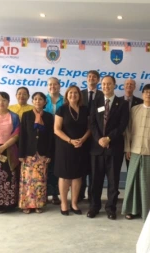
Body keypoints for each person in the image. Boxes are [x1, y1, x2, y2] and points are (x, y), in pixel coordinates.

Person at [122, 84, 150, 220]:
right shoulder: (134, 110)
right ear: (142, 94)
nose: (148, 95)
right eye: (146, 92)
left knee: (148, 183)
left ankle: (147, 212)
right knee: (132, 182)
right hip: (135, 151)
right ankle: (131, 209)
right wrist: (127, 148)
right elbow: (128, 131)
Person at [88, 76, 129, 220]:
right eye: (104, 84)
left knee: (113, 181)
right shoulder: (96, 102)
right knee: (95, 181)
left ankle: (111, 208)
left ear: (114, 85)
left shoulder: (122, 103)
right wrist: (99, 139)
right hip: (97, 148)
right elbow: (92, 123)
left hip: (114, 148)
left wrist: (109, 138)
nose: (106, 86)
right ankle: (94, 207)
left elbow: (122, 125)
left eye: (109, 84)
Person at [54, 85, 91, 215]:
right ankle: (64, 203)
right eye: (70, 93)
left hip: (81, 146)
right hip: (65, 146)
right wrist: (70, 140)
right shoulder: (62, 109)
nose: (73, 95)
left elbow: (89, 128)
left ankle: (74, 203)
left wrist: (82, 139)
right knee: (64, 176)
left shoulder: (85, 109)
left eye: (76, 93)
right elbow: (56, 129)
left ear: (79, 96)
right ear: (67, 95)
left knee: (77, 176)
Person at [18, 92, 54, 214]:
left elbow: (51, 137)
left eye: (40, 99)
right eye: (35, 99)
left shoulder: (49, 117)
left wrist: (49, 154)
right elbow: (22, 135)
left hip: (42, 154)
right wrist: (21, 154)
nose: (38, 101)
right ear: (32, 101)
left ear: (45, 102)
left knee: (40, 180)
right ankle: (27, 204)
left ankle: (39, 204)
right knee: (27, 181)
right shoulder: (26, 115)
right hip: (29, 153)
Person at [79, 70, 104, 202]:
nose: (91, 78)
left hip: (96, 137)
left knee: (94, 169)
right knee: (81, 166)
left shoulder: (102, 94)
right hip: (81, 135)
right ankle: (79, 194)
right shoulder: (80, 94)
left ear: (98, 80)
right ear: (86, 79)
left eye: (94, 77)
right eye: (89, 76)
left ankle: (91, 195)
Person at [44, 77, 63, 205]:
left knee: (57, 166)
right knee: (45, 166)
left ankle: (56, 194)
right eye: (50, 84)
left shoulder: (65, 99)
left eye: (55, 84)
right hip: (45, 137)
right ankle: (44, 194)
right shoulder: (42, 99)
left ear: (59, 86)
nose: (52, 87)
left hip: (61, 137)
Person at [120, 78, 143, 169]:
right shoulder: (117, 100)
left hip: (134, 137)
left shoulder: (141, 102)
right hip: (120, 136)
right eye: (127, 84)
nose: (129, 85)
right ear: (124, 86)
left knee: (132, 167)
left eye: (131, 84)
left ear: (134, 87)